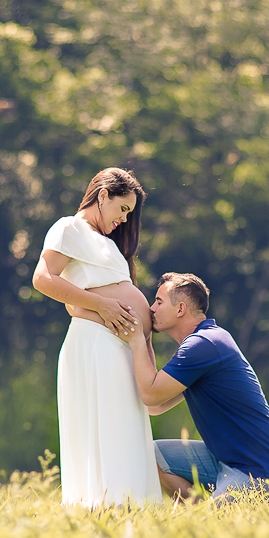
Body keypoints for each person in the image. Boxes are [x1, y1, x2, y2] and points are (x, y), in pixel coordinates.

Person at [31, 167, 164, 507]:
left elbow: (82, 301)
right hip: (95, 344)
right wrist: (103, 306)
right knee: (105, 426)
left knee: (125, 425)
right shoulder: (69, 227)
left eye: (129, 214)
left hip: (120, 346)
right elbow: (44, 279)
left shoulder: (107, 243)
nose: (124, 219)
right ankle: (103, 504)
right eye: (122, 209)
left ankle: (131, 504)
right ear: (103, 195)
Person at [122, 272, 269, 500]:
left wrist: (136, 340)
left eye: (158, 301)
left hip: (263, 471)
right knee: (151, 455)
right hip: (225, 461)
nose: (152, 309)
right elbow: (156, 405)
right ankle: (199, 511)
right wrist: (145, 341)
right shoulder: (202, 343)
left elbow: (151, 396)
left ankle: (207, 513)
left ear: (180, 309)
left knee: (220, 530)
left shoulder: (203, 345)